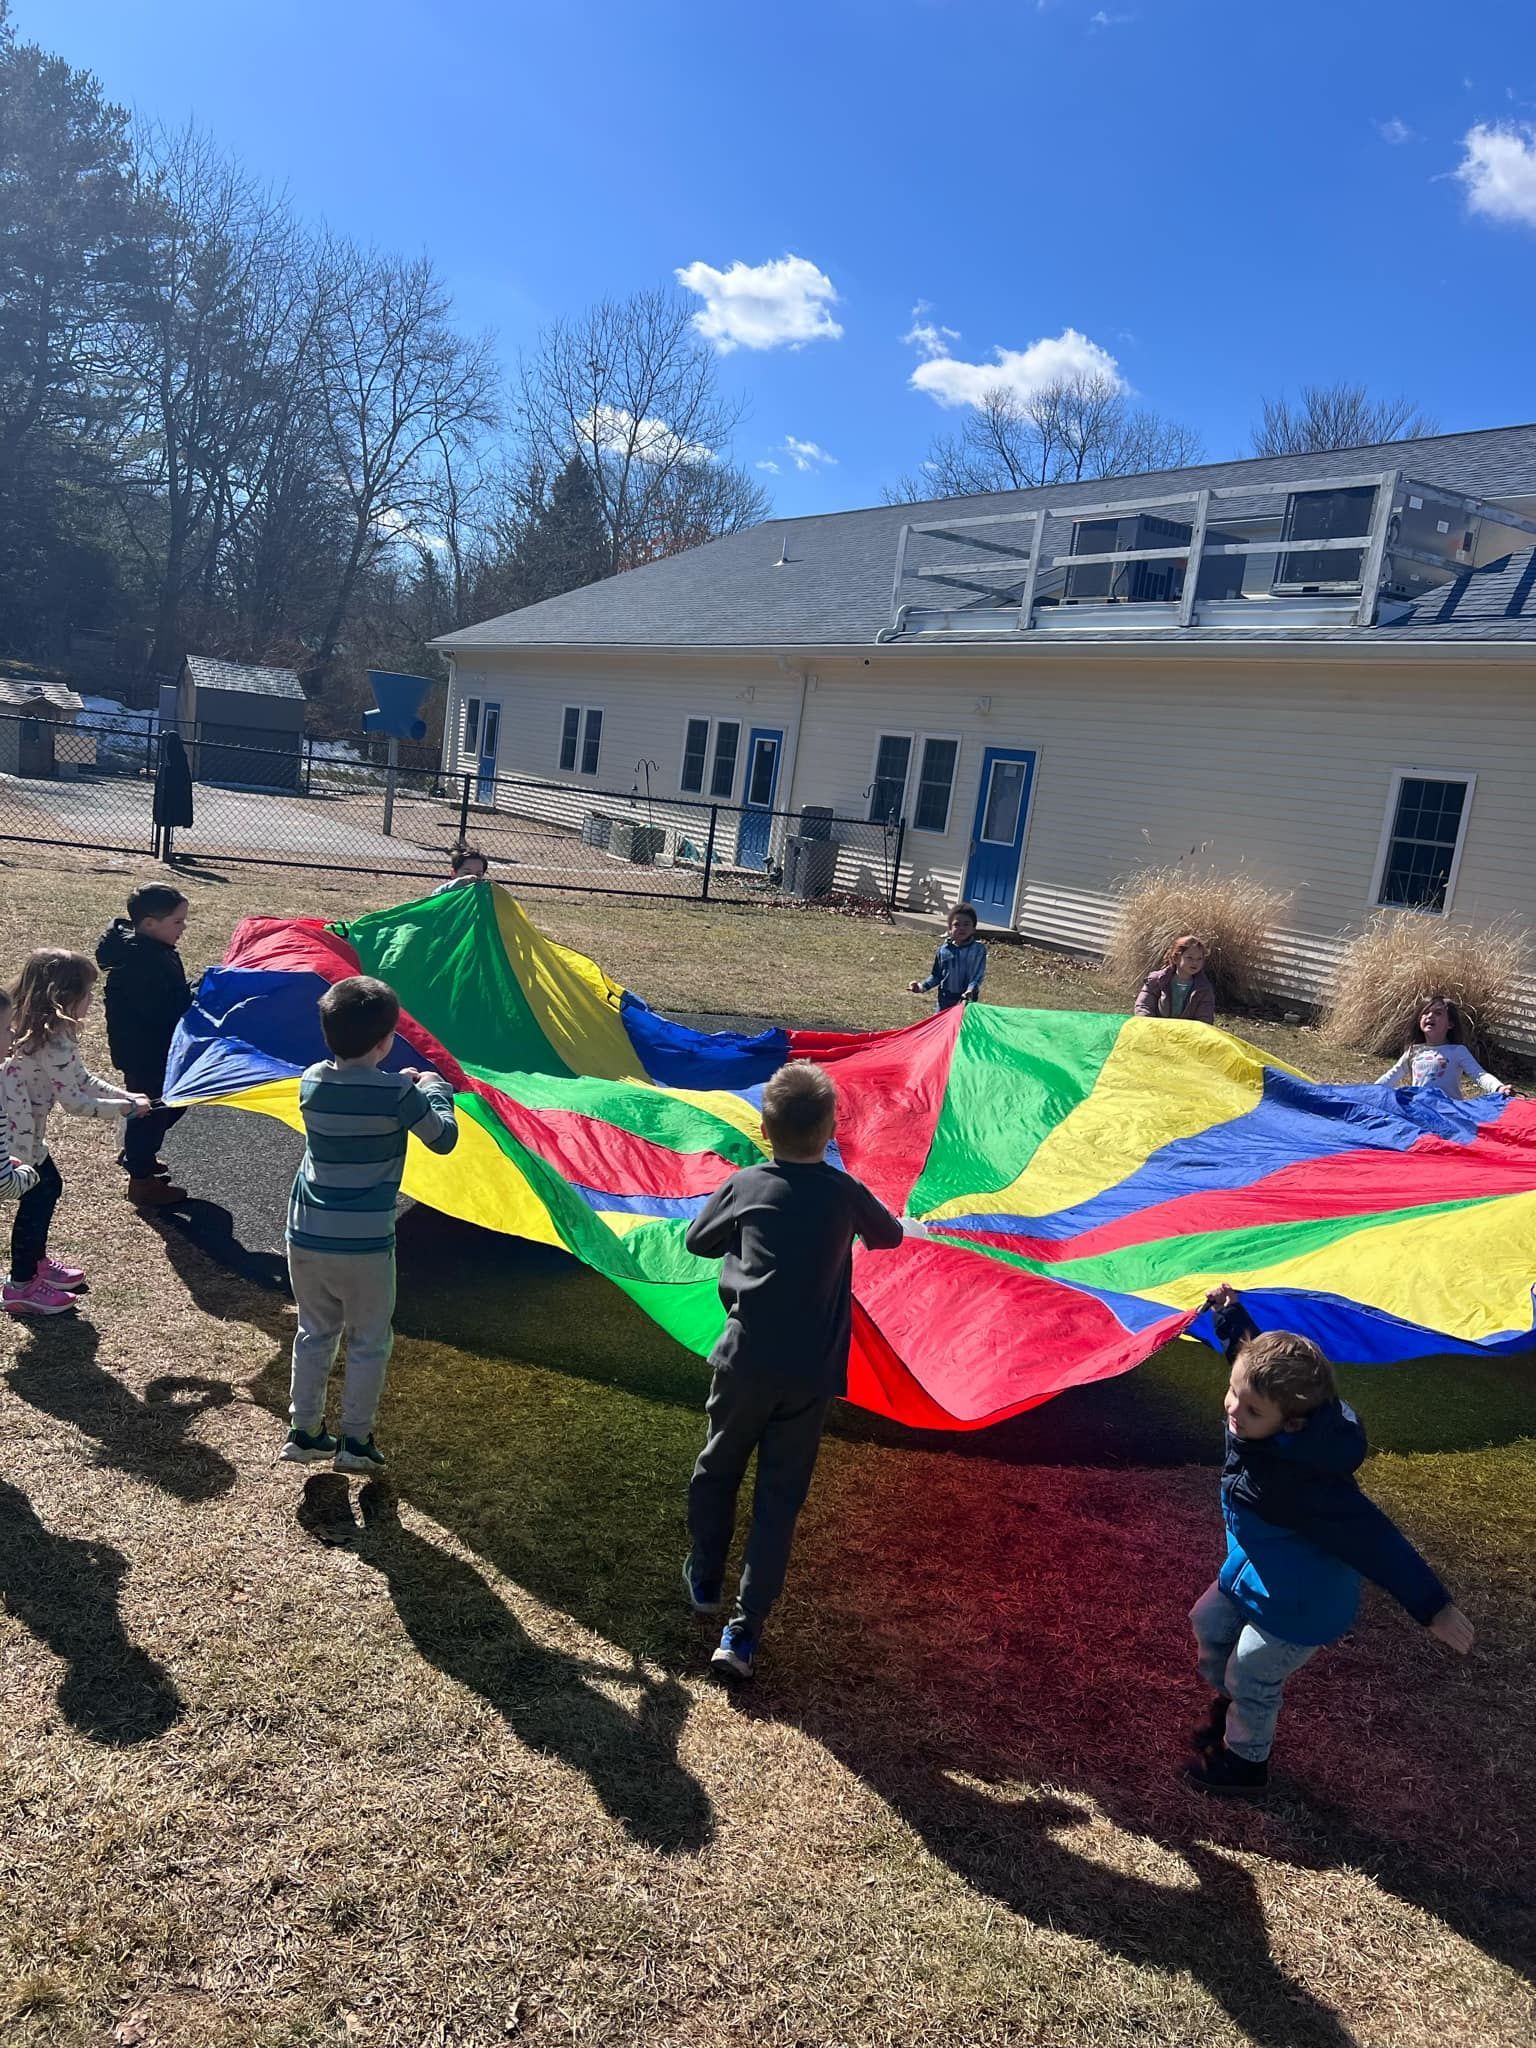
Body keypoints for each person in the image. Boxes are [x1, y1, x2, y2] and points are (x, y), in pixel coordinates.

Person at [1186, 1284, 1474, 1796]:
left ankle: (1245, 1765)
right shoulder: (1265, 1410)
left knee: (1251, 1672)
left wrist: (1434, 1607)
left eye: (1250, 1410)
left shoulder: (1306, 1483)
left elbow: (1375, 1539)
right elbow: (1248, 1356)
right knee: (1208, 1626)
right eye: (1234, 1393)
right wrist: (1230, 1316)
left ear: (1290, 1425)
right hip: (1254, 1571)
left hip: (1301, 1604)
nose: (1233, 1410)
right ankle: (1235, 1706)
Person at [681, 1060, 911, 1680]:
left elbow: (697, 1241)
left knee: (717, 1467)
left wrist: (751, 1243)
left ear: (763, 1126)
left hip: (745, 1361)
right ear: (832, 1128)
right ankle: (743, 1630)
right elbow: (888, 1236)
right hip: (811, 1374)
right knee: (779, 1499)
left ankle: (705, 1571)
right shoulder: (845, 1194)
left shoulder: (746, 1184)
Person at [281, 974, 458, 1478]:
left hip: (307, 1236)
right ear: (386, 1041)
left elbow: (359, 1086)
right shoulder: (398, 1093)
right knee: (369, 1341)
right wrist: (433, 1089)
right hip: (364, 1244)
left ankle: (305, 1432)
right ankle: (356, 1441)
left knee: (313, 1331)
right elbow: (441, 1138)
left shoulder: (311, 1080)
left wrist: (396, 1083)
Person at [4, 950, 150, 1317]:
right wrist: (128, 1109)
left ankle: (34, 1265)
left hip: (27, 1127)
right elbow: (76, 1102)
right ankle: (21, 1285)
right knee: (40, 1195)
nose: (92, 1002)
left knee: (48, 1188)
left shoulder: (52, 1030)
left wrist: (125, 1095)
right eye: (88, 993)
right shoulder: (50, 1039)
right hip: (18, 1131)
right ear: (65, 996)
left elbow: (83, 1080)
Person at [95, 884, 194, 1207]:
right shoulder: (141, 960)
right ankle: (141, 1181)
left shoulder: (151, 949)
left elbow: (170, 995)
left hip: (150, 1049)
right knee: (152, 1109)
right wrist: (194, 995)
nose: (184, 927)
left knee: (167, 1105)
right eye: (178, 921)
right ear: (150, 923)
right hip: (146, 1053)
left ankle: (139, 1154)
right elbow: (162, 1009)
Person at [1377, 994, 1513, 1099]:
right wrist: (1368, 1091)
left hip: (1448, 1112)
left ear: (1450, 1024)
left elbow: (1479, 1075)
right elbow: (1392, 1076)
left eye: (1438, 1013)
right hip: (1420, 1109)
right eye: (1425, 1012)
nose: (1430, 1016)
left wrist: (1499, 1088)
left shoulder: (1457, 1051)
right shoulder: (1414, 1051)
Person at [908, 903, 987, 1012]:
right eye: (957, 924)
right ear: (949, 929)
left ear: (973, 928)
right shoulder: (943, 950)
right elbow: (936, 976)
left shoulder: (978, 950)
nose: (961, 928)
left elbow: (977, 976)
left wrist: (970, 990)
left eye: (966, 924)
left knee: (961, 1028)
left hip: (967, 1002)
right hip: (945, 1000)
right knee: (941, 1028)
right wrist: (921, 987)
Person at [1134, 934, 1216, 1023]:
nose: (1195, 962)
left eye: (1199, 958)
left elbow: (1205, 1017)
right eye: (1190, 958)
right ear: (1176, 958)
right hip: (1156, 1029)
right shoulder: (1156, 980)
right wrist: (1147, 1023)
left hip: (1186, 1033)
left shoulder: (1203, 988)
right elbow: (1144, 1006)